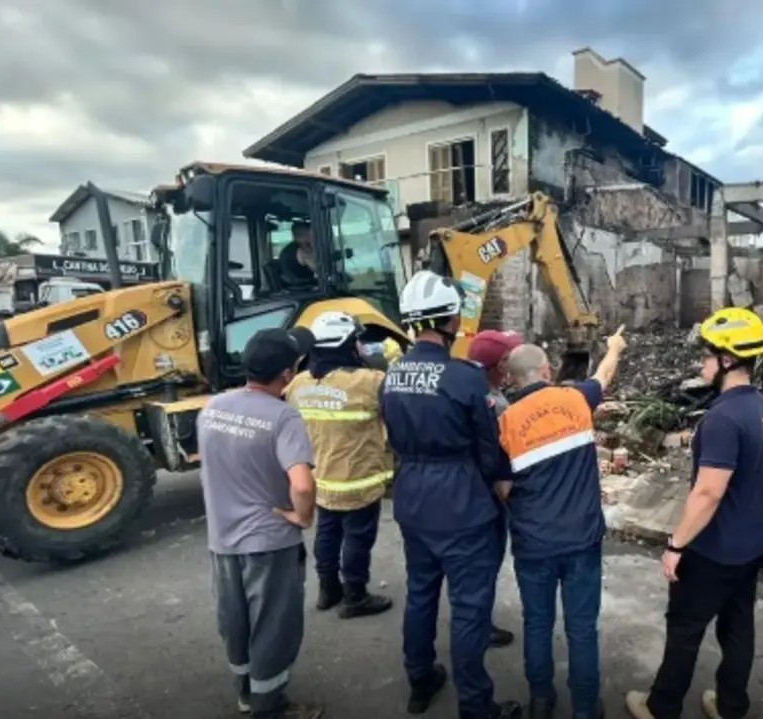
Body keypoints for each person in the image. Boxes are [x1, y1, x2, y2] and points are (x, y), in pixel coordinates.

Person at [380, 269, 522, 719]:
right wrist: (500, 486)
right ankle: (476, 706)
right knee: (469, 608)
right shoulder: (465, 378)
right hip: (462, 505)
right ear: (450, 320)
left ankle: (420, 680)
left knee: (421, 594)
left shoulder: (391, 376)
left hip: (413, 499)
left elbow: (393, 437)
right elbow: (488, 450)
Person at [626, 308, 763, 719]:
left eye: (707, 356)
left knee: (685, 629)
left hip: (715, 548)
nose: (701, 364)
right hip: (755, 541)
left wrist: (676, 545)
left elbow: (709, 492)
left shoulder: (722, 418)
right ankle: (730, 706)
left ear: (727, 360)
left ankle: (661, 707)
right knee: (738, 625)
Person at [497, 327, 627, 719]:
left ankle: (541, 701)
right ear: (547, 371)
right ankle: (585, 709)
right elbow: (603, 376)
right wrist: (614, 347)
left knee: (537, 624)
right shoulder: (575, 399)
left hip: (533, 543)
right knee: (582, 629)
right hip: (581, 540)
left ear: (512, 380)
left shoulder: (505, 423)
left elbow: (503, 488)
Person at [198, 326, 321, 719]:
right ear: (287, 374)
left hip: (222, 539)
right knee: (273, 625)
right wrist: (301, 516)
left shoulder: (213, 407)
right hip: (269, 542)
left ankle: (246, 693)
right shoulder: (283, 417)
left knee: (234, 621)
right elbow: (302, 484)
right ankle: (270, 706)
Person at [285, 311, 395, 619]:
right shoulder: (370, 381)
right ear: (345, 344)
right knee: (358, 538)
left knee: (327, 533)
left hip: (320, 479)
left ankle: (327, 590)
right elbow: (396, 412)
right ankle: (355, 596)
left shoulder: (298, 384)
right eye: (357, 341)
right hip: (359, 480)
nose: (361, 346)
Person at [466, 329, 529, 650]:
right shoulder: (497, 404)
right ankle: (479, 626)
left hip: (462, 491)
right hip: (491, 494)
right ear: (498, 365)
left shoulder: (465, 391)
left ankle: (473, 619)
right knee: (486, 563)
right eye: (507, 360)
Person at [278, 221, 317, 286]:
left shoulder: (289, 249)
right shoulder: (301, 250)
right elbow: (318, 269)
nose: (314, 237)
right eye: (311, 234)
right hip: (302, 286)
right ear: (300, 236)